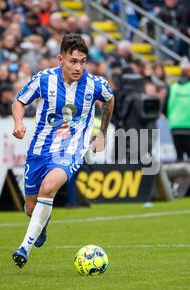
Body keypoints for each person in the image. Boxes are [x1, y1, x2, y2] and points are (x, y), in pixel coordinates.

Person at [11, 34, 115, 269]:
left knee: (48, 189)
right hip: (39, 150)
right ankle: (41, 224)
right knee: (30, 207)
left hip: (71, 149)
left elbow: (109, 101)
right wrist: (18, 123)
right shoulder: (44, 79)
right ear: (60, 59)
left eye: (82, 61)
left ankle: (23, 249)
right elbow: (19, 101)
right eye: (73, 61)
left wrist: (102, 133)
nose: (78, 67)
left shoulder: (95, 84)